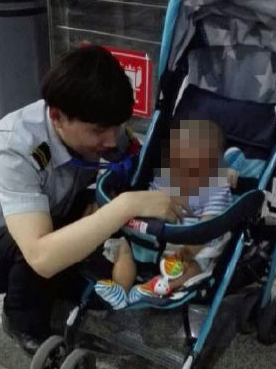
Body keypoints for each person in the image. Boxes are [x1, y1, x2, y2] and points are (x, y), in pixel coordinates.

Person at [0, 45, 185, 354]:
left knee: (103, 209)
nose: (110, 139)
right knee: (45, 254)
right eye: (99, 130)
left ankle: (67, 281)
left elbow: (139, 160)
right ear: (56, 116)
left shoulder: (100, 125)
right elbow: (39, 253)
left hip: (53, 210)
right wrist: (126, 206)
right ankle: (21, 321)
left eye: (116, 126)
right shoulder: (14, 148)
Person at [94, 119, 233, 309]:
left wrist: (186, 253)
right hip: (152, 235)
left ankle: (156, 287)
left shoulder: (216, 187)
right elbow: (148, 201)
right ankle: (121, 291)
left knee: (193, 268)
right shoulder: (165, 177)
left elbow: (209, 225)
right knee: (124, 250)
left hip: (188, 245)